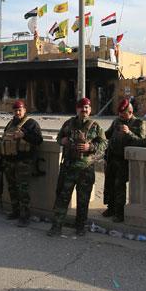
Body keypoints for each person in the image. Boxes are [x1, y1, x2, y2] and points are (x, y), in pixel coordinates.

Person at [49, 97, 107, 237]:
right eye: (81, 107)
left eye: (87, 107)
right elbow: (59, 138)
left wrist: (90, 146)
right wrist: (62, 140)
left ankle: (80, 226)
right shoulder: (68, 124)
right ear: (77, 109)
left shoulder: (95, 126)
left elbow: (104, 145)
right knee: (62, 198)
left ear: (90, 110)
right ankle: (56, 226)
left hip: (85, 170)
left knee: (83, 200)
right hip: (68, 167)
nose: (84, 110)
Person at [103, 98, 146, 223]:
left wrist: (129, 133)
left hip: (124, 160)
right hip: (112, 158)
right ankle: (110, 208)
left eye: (123, 113)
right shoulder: (117, 121)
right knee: (109, 185)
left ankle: (119, 213)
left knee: (119, 186)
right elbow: (108, 134)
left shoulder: (138, 123)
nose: (120, 116)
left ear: (130, 111)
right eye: (119, 113)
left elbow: (140, 141)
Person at [0, 99, 43, 225]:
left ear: (24, 110)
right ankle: (15, 211)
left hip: (23, 162)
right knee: (12, 188)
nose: (17, 112)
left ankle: (25, 216)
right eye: (15, 110)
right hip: (9, 161)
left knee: (23, 190)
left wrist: (24, 135)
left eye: (20, 110)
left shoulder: (31, 123)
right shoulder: (11, 123)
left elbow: (38, 140)